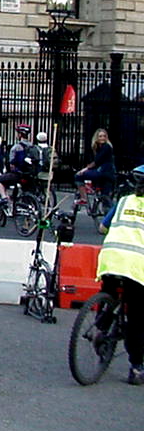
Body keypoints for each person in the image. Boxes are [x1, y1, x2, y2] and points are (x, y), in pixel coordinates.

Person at [97, 165, 144, 384]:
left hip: (111, 258)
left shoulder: (123, 201)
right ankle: (136, 367)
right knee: (137, 317)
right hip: (137, 267)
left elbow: (102, 228)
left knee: (109, 292)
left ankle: (101, 325)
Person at [0, 123, 34, 207]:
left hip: (18, 174)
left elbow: (11, 163)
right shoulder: (33, 146)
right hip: (29, 174)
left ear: (19, 134)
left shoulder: (16, 147)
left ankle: (4, 198)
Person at [75, 128, 116, 203]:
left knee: (78, 176)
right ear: (96, 138)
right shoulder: (99, 147)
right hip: (106, 173)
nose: (102, 138)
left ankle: (84, 198)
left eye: (104, 136)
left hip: (103, 172)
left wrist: (84, 169)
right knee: (105, 197)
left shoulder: (106, 147)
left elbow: (97, 161)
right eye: (100, 136)